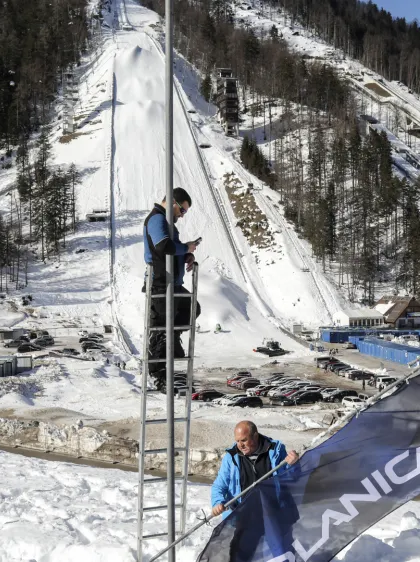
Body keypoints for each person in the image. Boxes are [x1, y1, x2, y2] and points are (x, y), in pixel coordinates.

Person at [211, 421, 301, 559]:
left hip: (273, 513)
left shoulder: (275, 450)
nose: (240, 445)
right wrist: (217, 502)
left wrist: (293, 465)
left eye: (244, 440)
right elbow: (219, 486)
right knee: (238, 555)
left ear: (255, 436)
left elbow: (292, 478)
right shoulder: (232, 457)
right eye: (237, 441)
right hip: (246, 515)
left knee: (282, 554)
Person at [144, 188, 201, 389]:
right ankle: (158, 374)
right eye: (182, 211)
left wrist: (186, 255)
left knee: (192, 308)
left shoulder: (166, 222)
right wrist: (185, 248)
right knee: (160, 328)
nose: (182, 216)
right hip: (160, 282)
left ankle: (173, 338)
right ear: (173, 203)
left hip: (173, 282)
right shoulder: (157, 219)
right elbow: (163, 247)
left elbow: (172, 249)